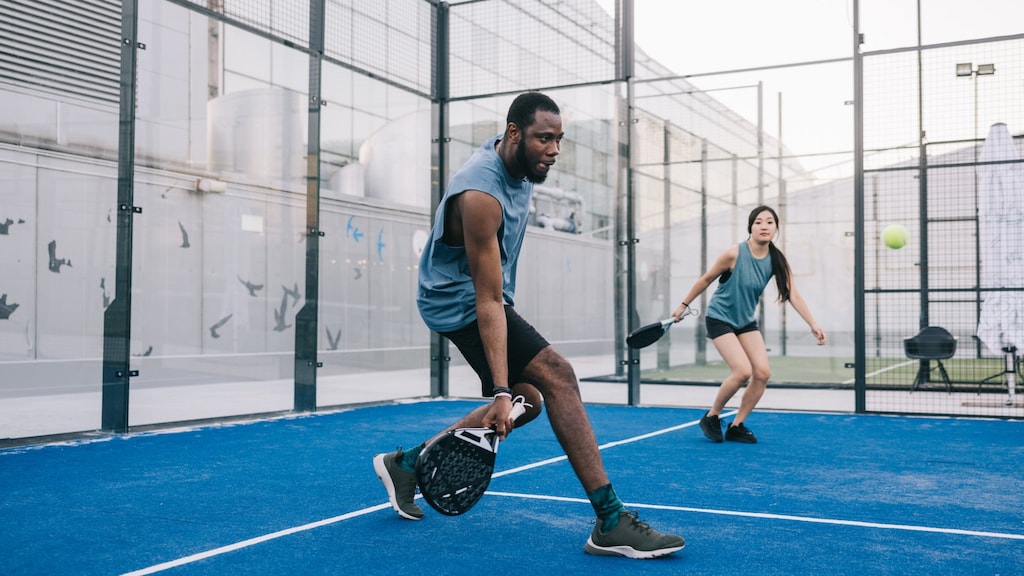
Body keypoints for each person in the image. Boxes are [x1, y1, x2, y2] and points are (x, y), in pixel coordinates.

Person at [373, 92, 685, 559]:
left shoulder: (517, 159)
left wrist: (510, 395)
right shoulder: (480, 195)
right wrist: (499, 390)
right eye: (544, 138)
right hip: (456, 301)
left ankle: (408, 464)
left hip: (478, 296)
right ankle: (611, 520)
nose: (554, 150)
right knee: (559, 376)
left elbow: (496, 292)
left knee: (531, 401)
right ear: (514, 134)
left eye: (559, 139)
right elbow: (488, 299)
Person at [672, 205, 826, 444]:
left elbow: (793, 294)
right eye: (758, 222)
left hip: (744, 321)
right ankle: (712, 416)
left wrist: (813, 324)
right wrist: (683, 305)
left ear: (776, 228)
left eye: (770, 222)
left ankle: (736, 425)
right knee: (742, 371)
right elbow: (706, 279)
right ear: (751, 227)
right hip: (719, 317)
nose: (764, 226)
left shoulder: (777, 260)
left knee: (763, 373)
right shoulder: (734, 253)